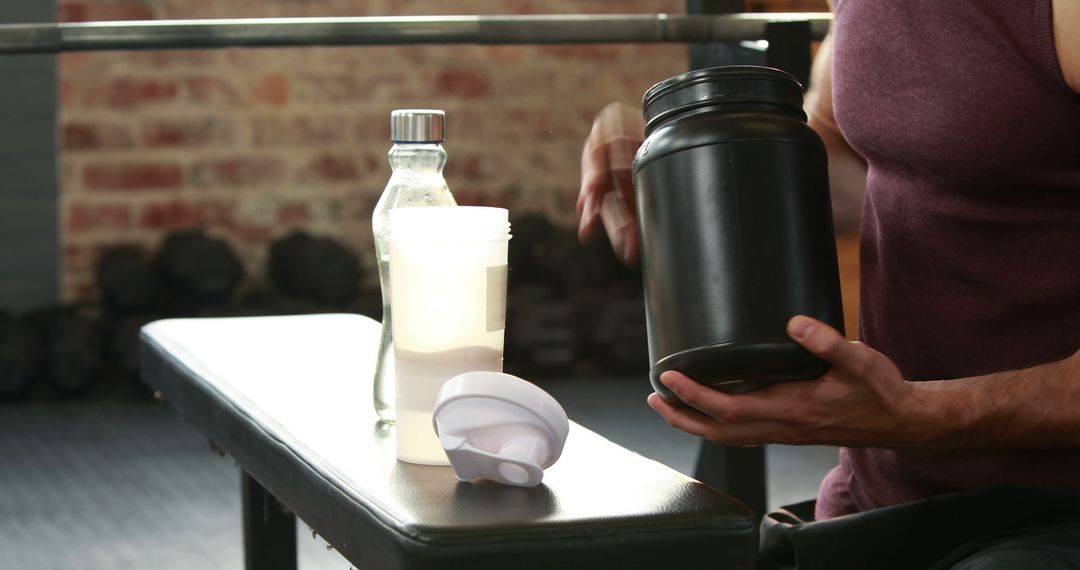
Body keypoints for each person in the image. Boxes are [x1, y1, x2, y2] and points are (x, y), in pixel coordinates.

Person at [579, 0, 1080, 566]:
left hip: (1052, 512)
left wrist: (922, 414)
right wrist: (692, 145)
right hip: (884, 496)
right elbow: (846, 169)